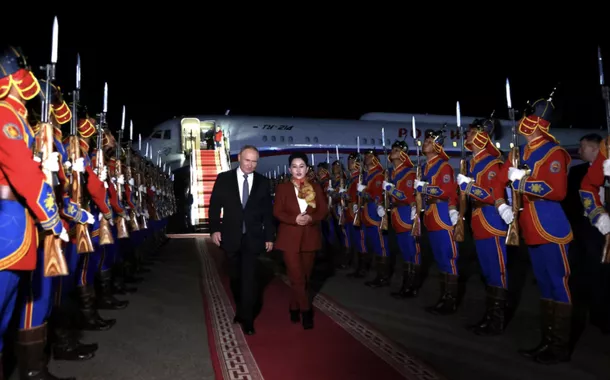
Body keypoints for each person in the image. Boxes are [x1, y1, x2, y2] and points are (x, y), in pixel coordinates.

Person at [491, 96, 573, 364]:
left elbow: (557, 191)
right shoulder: (520, 152)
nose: (520, 122)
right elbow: (499, 182)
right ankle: (547, 340)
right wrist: (502, 204)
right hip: (529, 228)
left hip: (551, 228)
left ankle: (559, 346)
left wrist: (523, 182)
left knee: (557, 285)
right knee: (545, 288)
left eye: (525, 117)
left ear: (537, 121)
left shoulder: (553, 152)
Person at [208, 145, 275, 335]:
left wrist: (269, 236)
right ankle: (240, 309)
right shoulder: (224, 179)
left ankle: (247, 318)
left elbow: (267, 213)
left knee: (250, 279)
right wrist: (214, 229)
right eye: (247, 160)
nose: (250, 165)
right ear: (239, 158)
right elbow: (214, 206)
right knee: (235, 278)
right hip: (230, 237)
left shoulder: (263, 182)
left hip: (253, 238)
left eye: (254, 161)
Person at [456, 118, 510, 335]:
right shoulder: (473, 162)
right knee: (487, 273)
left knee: (497, 272)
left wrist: (468, 187)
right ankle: (489, 316)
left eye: (470, 133)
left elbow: (492, 195)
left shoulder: (491, 162)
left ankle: (497, 321)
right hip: (479, 222)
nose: (467, 136)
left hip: (492, 221)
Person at [273, 152, 328, 329]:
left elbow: (323, 211)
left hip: (309, 238)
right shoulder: (283, 188)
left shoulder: (316, 188)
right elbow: (277, 212)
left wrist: (311, 219)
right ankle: (306, 312)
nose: (298, 170)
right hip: (289, 238)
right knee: (297, 277)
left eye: (301, 166)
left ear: (307, 168)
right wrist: (294, 219)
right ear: (290, 169)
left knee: (304, 277)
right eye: (295, 167)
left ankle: (293, 306)